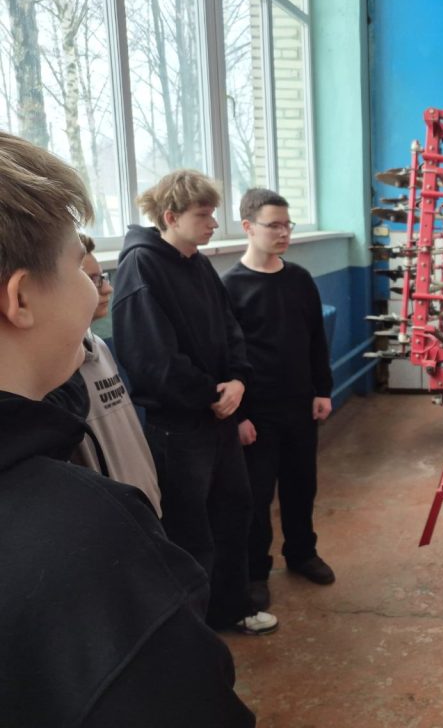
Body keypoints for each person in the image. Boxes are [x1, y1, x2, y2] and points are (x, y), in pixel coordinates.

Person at [0, 131, 254, 726]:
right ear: (21, 298)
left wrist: (236, 382)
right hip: (184, 424)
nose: (98, 288)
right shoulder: (90, 529)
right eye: (79, 267)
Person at [112, 169, 278, 635]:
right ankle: (195, 633)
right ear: (171, 217)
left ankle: (231, 609)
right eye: (203, 215)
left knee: (234, 512)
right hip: (180, 427)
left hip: (220, 417)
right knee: (190, 531)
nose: (213, 223)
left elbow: (230, 330)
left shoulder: (199, 264)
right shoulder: (141, 266)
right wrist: (211, 395)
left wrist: (238, 381)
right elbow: (152, 359)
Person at [222, 188, 335, 611]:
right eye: (274, 225)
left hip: (300, 406)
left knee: (301, 486)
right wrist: (239, 417)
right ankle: (255, 571)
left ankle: (302, 553)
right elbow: (226, 357)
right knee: (256, 498)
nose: (284, 233)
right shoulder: (230, 287)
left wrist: (322, 389)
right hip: (258, 415)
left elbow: (315, 340)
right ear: (248, 227)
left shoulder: (300, 279)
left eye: (288, 225)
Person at [45, 233, 162, 514]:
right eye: (93, 279)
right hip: (113, 516)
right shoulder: (54, 369)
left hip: (143, 506)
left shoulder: (98, 345)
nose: (107, 288)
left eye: (102, 278)